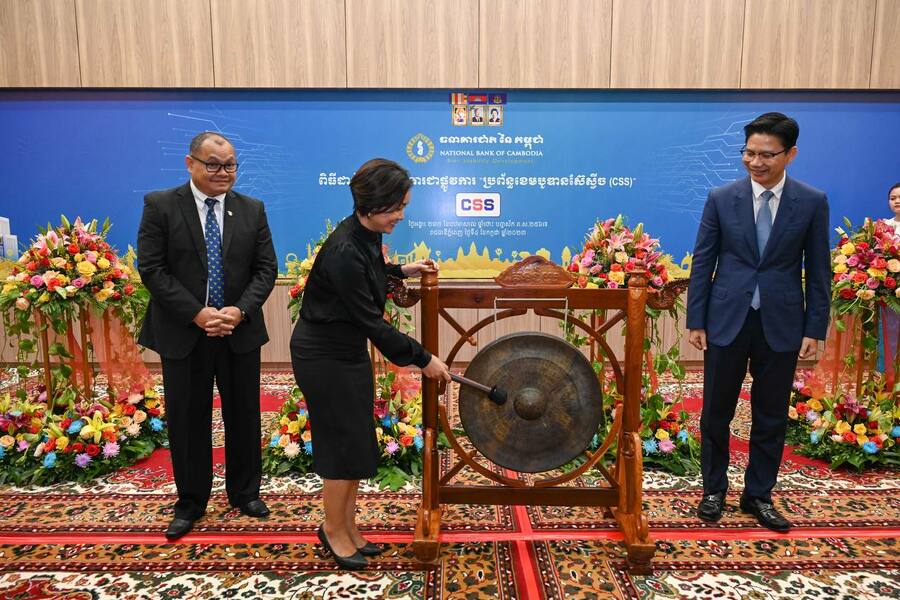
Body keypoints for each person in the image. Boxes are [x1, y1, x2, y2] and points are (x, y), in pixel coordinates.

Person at [290, 158, 451, 569]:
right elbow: (371, 322)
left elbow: (371, 271)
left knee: (356, 440)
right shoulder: (345, 248)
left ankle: (347, 526)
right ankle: (333, 530)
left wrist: (401, 269)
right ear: (373, 203)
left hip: (346, 351)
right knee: (340, 445)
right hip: (324, 356)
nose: (401, 216)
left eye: (404, 207)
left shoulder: (363, 234)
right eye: (396, 207)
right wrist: (424, 359)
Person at [686, 112, 830, 533]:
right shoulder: (721, 197)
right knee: (716, 412)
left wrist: (814, 328)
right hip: (726, 319)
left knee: (771, 415)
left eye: (767, 154)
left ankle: (758, 495)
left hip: (781, 323)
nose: (756, 162)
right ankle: (713, 490)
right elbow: (703, 262)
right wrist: (696, 319)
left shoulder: (812, 201)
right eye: (749, 153)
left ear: (790, 155)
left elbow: (818, 269)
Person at [137, 131, 277, 540]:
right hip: (185, 332)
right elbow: (153, 269)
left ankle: (245, 493)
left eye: (230, 164)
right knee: (187, 419)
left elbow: (265, 269)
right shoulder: (161, 205)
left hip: (238, 331)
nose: (223, 172)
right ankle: (191, 501)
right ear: (190, 163)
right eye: (213, 164)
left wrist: (239, 310)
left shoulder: (252, 209)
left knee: (244, 415)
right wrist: (197, 313)